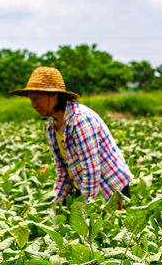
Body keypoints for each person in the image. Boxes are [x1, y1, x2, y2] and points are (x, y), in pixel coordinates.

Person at [11, 67, 132, 205]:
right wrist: (55, 205)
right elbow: (63, 171)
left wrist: (84, 210)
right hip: (86, 188)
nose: (34, 105)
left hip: (112, 191)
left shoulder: (79, 120)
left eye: (37, 99)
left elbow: (91, 171)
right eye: (31, 100)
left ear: (53, 95)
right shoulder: (52, 125)